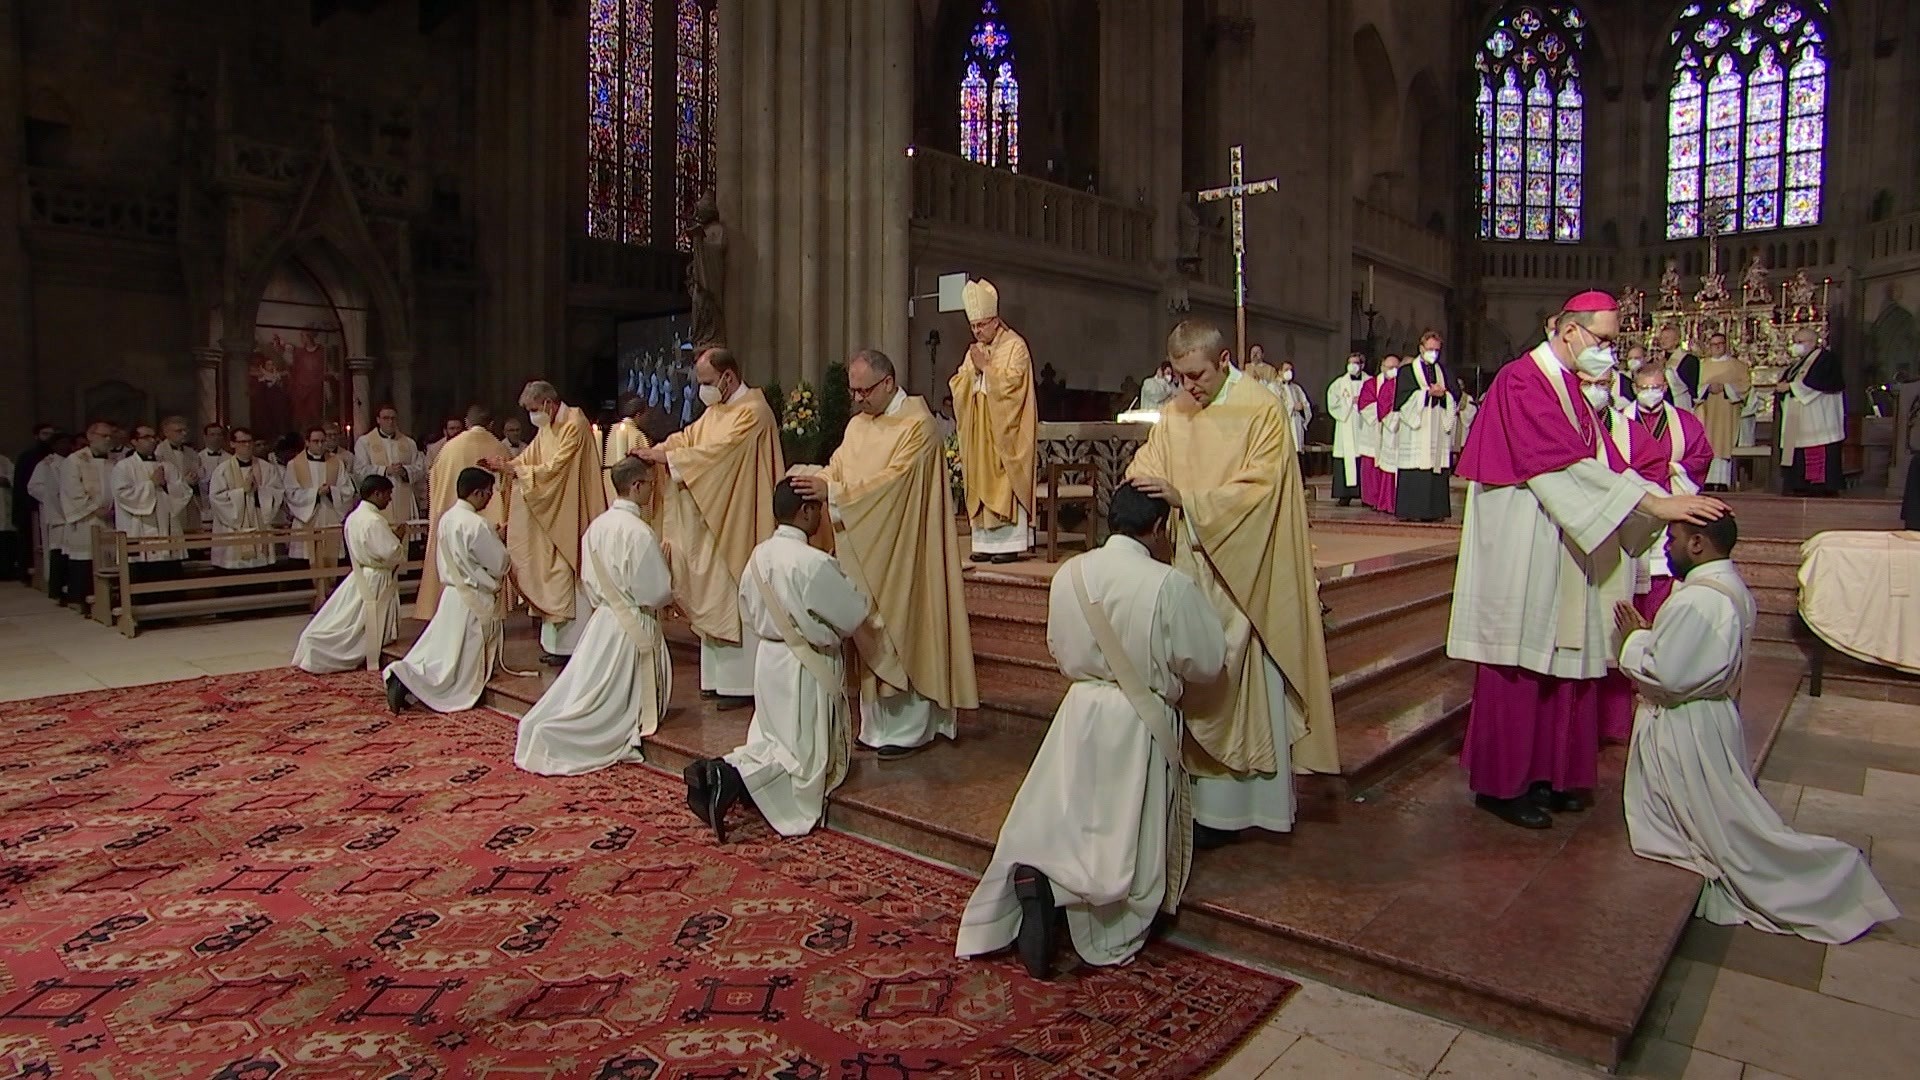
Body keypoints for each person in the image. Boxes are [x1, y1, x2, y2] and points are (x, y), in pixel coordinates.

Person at [1447, 290, 1727, 830]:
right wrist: (1654, 505)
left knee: (1564, 652)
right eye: (1603, 340)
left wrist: (1660, 500)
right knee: (1520, 660)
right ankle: (1503, 785)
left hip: (1564, 536)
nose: (1608, 353)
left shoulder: (1571, 389)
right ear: (1569, 330)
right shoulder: (1522, 380)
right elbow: (1558, 466)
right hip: (1525, 537)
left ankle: (1552, 774)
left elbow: (1605, 461)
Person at [956, 485, 1226, 978]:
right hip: (1139, 719)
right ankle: (1068, 896)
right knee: (1123, 834)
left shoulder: (1070, 574)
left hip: (1079, 710)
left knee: (1073, 814)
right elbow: (1206, 662)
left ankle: (1043, 879)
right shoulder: (1168, 584)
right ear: (1159, 528)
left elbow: (1057, 647)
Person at [1615, 517, 1899, 943]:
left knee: (1726, 833)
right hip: (1709, 717)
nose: (1667, 547)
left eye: (1672, 539)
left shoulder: (1699, 600)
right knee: (1719, 816)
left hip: (1687, 725)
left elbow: (1671, 675)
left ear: (1698, 543)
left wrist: (1635, 640)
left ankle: (1828, 878)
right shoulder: (1729, 587)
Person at [1125, 320, 1337, 847]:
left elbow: (1260, 493)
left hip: (1244, 577)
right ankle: (1194, 807)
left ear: (1224, 362)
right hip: (1187, 571)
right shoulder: (1177, 411)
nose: (1188, 387)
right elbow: (1150, 462)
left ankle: (1242, 810)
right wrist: (1141, 480)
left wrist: (1189, 502)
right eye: (1180, 376)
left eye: (1197, 375)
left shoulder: (1261, 410)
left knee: (1241, 689)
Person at [790, 349, 979, 758]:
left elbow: (894, 485)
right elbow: (838, 468)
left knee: (902, 623)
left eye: (864, 391)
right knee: (866, 624)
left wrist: (834, 492)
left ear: (889, 383)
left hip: (905, 548)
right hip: (864, 546)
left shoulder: (918, 426)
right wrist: (815, 478)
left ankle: (911, 730)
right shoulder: (858, 426)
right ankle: (875, 727)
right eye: (853, 391)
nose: (858, 399)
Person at [684, 478, 871, 842]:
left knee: (773, 738)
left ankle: (722, 771)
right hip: (805, 664)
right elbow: (853, 615)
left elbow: (747, 609)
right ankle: (730, 776)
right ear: (806, 511)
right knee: (802, 757)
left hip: (770, 659)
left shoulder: (758, 556)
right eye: (817, 510)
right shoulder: (812, 562)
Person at [628, 347, 782, 702]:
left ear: (728, 377)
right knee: (712, 593)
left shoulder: (753, 412)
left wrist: (669, 457)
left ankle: (740, 684)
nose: (703, 390)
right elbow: (689, 438)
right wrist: (660, 449)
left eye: (708, 382)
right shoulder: (718, 410)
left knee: (729, 592)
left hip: (738, 519)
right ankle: (716, 680)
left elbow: (718, 455)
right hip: (711, 516)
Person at [514, 456, 675, 776]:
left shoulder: (595, 528)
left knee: (591, 688)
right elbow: (656, 592)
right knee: (609, 701)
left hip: (603, 621)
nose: (652, 490)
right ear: (636, 486)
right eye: (649, 484)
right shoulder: (639, 532)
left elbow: (589, 579)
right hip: (632, 624)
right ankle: (569, 733)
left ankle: (556, 727)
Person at [490, 380, 607, 665]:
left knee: (567, 570)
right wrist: (508, 466)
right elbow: (529, 458)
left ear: (548, 403)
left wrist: (517, 471)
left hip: (572, 508)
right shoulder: (548, 427)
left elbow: (557, 468)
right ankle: (557, 645)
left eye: (534, 409)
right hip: (553, 509)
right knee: (549, 568)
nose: (532, 416)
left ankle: (575, 645)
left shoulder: (574, 423)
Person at [385, 467, 509, 714]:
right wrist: (499, 540)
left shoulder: (447, 518)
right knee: (455, 661)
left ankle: (406, 675)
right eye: (488, 493)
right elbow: (499, 563)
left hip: (452, 594)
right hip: (473, 597)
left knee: (441, 649)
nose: (489, 498)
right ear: (477, 493)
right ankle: (410, 680)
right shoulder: (477, 524)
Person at [949, 278, 1037, 565]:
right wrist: (973, 373)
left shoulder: (1016, 346)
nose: (977, 331)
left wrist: (986, 368)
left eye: (981, 325)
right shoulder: (973, 350)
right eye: (973, 326)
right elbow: (959, 383)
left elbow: (1015, 387)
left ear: (996, 321)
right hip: (979, 432)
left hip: (1006, 432)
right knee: (978, 477)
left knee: (1004, 478)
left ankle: (1010, 544)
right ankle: (984, 543)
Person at [293, 475, 405, 673]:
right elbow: (390, 552)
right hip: (375, 578)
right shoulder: (374, 520)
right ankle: (328, 652)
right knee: (360, 623)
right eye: (388, 494)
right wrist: (398, 538)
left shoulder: (353, 517)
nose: (389, 499)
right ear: (377, 494)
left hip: (361, 575)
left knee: (350, 616)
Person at [415, 410, 509, 620]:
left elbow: (435, 480)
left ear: (467, 423)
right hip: (487, 533)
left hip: (451, 513)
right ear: (491, 424)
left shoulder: (450, 448)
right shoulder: (500, 448)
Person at [110, 424, 193, 582]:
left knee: (170, 578)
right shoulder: (124, 466)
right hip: (139, 528)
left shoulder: (167, 465)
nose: (153, 440)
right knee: (142, 577)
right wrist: (151, 484)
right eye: (146, 437)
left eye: (154, 437)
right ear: (134, 441)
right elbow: (122, 494)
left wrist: (166, 486)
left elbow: (183, 492)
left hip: (166, 527)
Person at [1392, 331, 1457, 522]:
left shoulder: (1444, 371)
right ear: (1421, 348)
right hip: (1417, 426)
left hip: (1436, 423)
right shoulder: (1407, 371)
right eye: (1430, 349)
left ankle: (1435, 511)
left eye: (1436, 350)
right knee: (1415, 466)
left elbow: (1455, 394)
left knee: (1435, 466)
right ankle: (1411, 510)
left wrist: (1444, 395)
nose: (1433, 353)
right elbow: (1402, 399)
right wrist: (1426, 394)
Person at [1776, 327, 1845, 496]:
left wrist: (1790, 387)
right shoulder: (1798, 363)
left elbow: (1819, 382)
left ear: (1813, 342)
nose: (1796, 346)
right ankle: (1799, 484)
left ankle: (1820, 486)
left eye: (1800, 342)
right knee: (1798, 450)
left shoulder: (1825, 359)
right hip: (1799, 415)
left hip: (1819, 415)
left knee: (1817, 448)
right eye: (1795, 342)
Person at [57, 422, 117, 611]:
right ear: (90, 436)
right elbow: (71, 490)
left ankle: (106, 600)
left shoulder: (113, 460)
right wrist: (93, 508)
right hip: (86, 519)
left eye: (110, 436)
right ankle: (81, 599)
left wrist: (114, 508)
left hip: (110, 518)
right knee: (85, 559)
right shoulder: (75, 460)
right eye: (103, 435)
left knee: (108, 560)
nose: (108, 439)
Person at [207, 429, 284, 570]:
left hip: (258, 522)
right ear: (232, 444)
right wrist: (242, 491)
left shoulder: (267, 468)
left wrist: (259, 491)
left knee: (261, 570)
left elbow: (277, 492)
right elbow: (216, 498)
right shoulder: (222, 469)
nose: (247, 445)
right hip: (233, 528)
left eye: (249, 441)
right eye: (242, 442)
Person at [283, 427, 355, 565]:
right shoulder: (294, 464)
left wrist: (332, 491)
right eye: (316, 441)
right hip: (306, 518)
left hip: (330, 516)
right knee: (305, 562)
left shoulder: (337, 462)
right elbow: (290, 493)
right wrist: (315, 493)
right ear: (307, 442)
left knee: (332, 563)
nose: (320, 445)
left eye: (323, 441)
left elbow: (348, 490)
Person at [353, 406, 426, 527]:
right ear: (378, 420)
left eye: (393, 418)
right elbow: (359, 471)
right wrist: (385, 470)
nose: (390, 422)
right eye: (386, 418)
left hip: (403, 496)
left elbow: (420, 468)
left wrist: (405, 471)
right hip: (378, 498)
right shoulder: (365, 442)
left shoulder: (409, 443)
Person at [1694, 331, 1750, 492]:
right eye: (1714, 344)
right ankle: (1706, 480)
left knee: (1723, 443)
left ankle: (1722, 481)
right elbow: (1694, 387)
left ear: (1726, 345)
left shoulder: (1738, 366)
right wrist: (1707, 388)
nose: (1717, 347)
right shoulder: (1702, 365)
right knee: (1707, 442)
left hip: (1727, 410)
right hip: (1706, 409)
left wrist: (1725, 387)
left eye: (1720, 344)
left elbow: (1744, 386)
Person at [28, 433, 72, 597]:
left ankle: (67, 585)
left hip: (71, 511)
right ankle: (56, 587)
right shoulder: (46, 464)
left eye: (67, 442)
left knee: (70, 551)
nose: (65, 445)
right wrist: (52, 496)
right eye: (61, 442)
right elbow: (33, 487)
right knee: (57, 549)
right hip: (55, 512)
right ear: (54, 446)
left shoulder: (72, 461)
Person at [1324, 354, 1367, 506]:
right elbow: (1332, 403)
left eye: (1355, 363)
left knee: (1363, 458)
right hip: (1346, 424)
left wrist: (1362, 401)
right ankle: (1344, 495)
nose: (1352, 366)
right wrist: (1349, 402)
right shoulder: (1339, 383)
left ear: (1362, 365)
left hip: (1364, 425)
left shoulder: (1369, 382)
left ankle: (1365, 495)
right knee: (1345, 458)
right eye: (1350, 363)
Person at [154, 416, 202, 539]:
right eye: (179, 431)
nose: (184, 434)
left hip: (191, 502)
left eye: (185, 430)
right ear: (166, 432)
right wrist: (184, 482)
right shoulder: (158, 453)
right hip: (170, 503)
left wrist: (197, 477)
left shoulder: (192, 453)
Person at [600, 395, 651, 506]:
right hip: (630, 487)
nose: (648, 419)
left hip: (609, 483)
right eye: (646, 415)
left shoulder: (611, 431)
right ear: (638, 415)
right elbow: (647, 467)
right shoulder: (637, 435)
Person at [1372, 356, 1401, 514]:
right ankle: (1388, 502)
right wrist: (1399, 417)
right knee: (1390, 467)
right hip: (1393, 431)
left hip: (1409, 433)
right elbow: (1382, 409)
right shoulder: (1388, 386)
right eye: (1390, 367)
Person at [1273, 360, 1312, 470]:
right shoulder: (1273, 387)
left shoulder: (1296, 388)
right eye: (1286, 370)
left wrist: (1303, 408)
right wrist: (1292, 407)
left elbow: (1306, 405)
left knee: (1297, 455)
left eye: (1291, 370)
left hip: (1296, 424)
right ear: (1280, 372)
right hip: (1283, 426)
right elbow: (1274, 407)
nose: (1289, 372)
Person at [1355, 363, 1382, 508]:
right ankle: (1371, 498)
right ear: (1382, 367)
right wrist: (1384, 411)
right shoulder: (1371, 384)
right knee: (1371, 466)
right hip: (1373, 429)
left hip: (1393, 431)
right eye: (1389, 366)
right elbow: (1365, 404)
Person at [1657, 322, 1699, 410]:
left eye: (1666, 338)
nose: (1662, 341)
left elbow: (1694, 387)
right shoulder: (1657, 359)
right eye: (1661, 338)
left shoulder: (1688, 360)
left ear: (1676, 340)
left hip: (1682, 402)